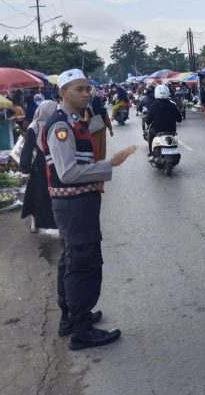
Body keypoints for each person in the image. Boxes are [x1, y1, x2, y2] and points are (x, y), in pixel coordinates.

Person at [42, 69, 136, 350]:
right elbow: (67, 173)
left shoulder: (74, 120)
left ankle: (71, 317)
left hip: (78, 203)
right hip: (74, 204)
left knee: (71, 259)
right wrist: (111, 164)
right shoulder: (61, 125)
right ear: (63, 92)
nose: (85, 94)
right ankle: (81, 329)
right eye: (78, 89)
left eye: (87, 89)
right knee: (83, 263)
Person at [20, 100, 58, 233]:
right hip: (49, 165)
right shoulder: (51, 125)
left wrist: (25, 169)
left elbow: (27, 149)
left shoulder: (36, 126)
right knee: (46, 195)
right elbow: (28, 149)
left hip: (42, 166)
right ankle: (39, 223)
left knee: (39, 195)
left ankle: (38, 222)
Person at [146, 84, 183, 158]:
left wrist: (148, 121)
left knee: (150, 133)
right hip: (171, 131)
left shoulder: (153, 106)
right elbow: (180, 119)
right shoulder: (173, 106)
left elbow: (148, 121)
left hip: (157, 130)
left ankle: (151, 153)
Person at [86, 88, 113, 160]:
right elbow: (107, 120)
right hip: (102, 131)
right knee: (102, 148)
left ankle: (96, 162)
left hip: (93, 133)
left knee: (95, 148)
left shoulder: (88, 110)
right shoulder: (103, 110)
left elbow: (86, 122)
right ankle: (101, 161)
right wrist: (110, 129)